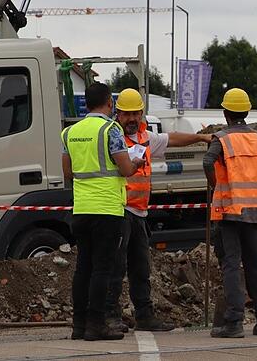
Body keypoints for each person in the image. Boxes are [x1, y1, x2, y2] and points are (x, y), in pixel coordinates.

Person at [106, 88, 213, 333]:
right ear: (117, 114)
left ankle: (144, 316)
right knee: (115, 267)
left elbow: (172, 138)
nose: (132, 119)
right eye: (127, 114)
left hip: (139, 213)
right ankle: (110, 315)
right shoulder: (113, 138)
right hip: (120, 209)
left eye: (136, 114)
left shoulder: (145, 138)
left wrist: (201, 138)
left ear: (142, 114)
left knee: (140, 268)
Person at [62, 82, 141, 341]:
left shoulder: (70, 132)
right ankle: (96, 324)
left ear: (86, 102)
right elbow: (126, 169)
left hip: (81, 208)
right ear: (109, 103)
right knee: (102, 269)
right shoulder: (111, 130)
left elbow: (68, 173)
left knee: (83, 267)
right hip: (107, 209)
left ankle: (79, 325)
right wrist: (135, 162)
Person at [203, 88, 257, 339]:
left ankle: (234, 322)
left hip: (231, 210)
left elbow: (206, 162)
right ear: (246, 111)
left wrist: (216, 186)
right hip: (256, 209)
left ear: (226, 113)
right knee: (256, 265)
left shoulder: (221, 138)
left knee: (231, 264)